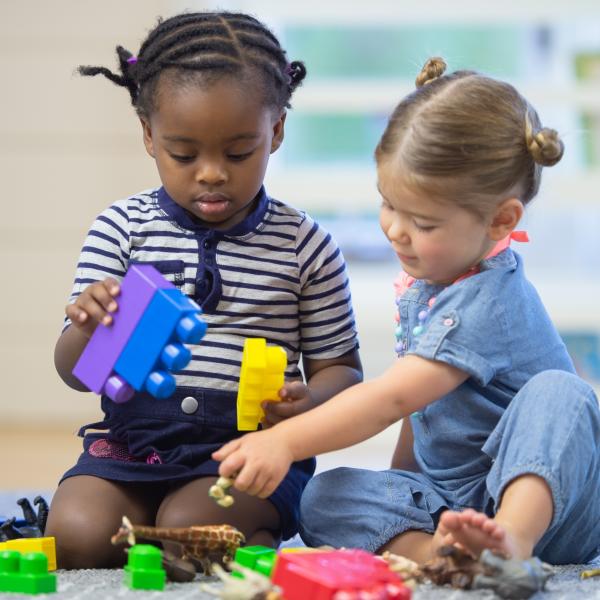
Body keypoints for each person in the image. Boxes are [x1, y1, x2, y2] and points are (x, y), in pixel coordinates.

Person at [214, 57, 600, 566]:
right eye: (387, 203)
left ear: (500, 219)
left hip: (550, 508)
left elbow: (390, 398)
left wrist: (284, 440)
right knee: (322, 497)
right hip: (456, 503)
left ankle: (509, 544)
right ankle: (440, 555)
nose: (395, 230)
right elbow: (420, 411)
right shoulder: (430, 285)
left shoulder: (489, 299)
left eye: (421, 221)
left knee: (562, 392)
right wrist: (401, 491)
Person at [46, 11, 362, 569]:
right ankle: (168, 525)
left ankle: (243, 530)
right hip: (130, 443)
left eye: (239, 153)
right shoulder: (121, 228)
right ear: (149, 135)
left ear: (278, 130)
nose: (211, 173)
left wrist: (307, 404)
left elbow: (343, 370)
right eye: (184, 154)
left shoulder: (305, 244)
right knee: (76, 537)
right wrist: (89, 330)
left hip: (248, 452)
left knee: (187, 534)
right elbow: (76, 373)